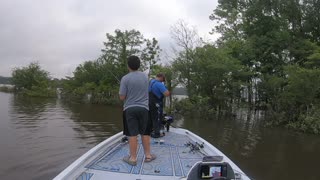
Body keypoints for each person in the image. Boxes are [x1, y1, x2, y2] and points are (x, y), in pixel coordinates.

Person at [119, 55, 156, 166]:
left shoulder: (125, 78)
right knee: (145, 133)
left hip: (129, 109)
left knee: (132, 134)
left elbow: (122, 97)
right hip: (144, 109)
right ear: (139, 65)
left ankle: (133, 158)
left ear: (128, 65)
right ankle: (148, 156)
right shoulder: (146, 77)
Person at [149, 73, 170, 138]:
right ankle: (157, 133)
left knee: (151, 117)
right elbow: (167, 94)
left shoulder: (151, 82)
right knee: (157, 118)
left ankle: (150, 130)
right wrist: (165, 87)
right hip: (156, 103)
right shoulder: (159, 84)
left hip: (150, 103)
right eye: (163, 80)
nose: (162, 81)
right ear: (160, 77)